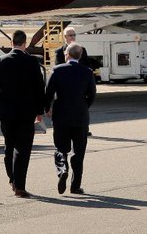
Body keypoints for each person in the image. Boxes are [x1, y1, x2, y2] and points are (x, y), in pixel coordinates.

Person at [0, 30, 47, 198]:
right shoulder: (32, 62)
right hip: (26, 113)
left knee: (9, 146)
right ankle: (19, 185)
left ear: (12, 42)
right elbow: (39, 87)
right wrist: (40, 111)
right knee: (23, 148)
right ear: (25, 44)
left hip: (6, 113)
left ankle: (12, 179)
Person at [45, 43, 97, 195]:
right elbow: (92, 94)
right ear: (80, 56)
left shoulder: (57, 70)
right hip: (80, 116)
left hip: (61, 115)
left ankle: (62, 170)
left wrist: (47, 108)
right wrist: (83, 106)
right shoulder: (87, 72)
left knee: (60, 148)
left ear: (67, 54)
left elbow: (49, 92)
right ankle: (75, 186)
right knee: (79, 152)